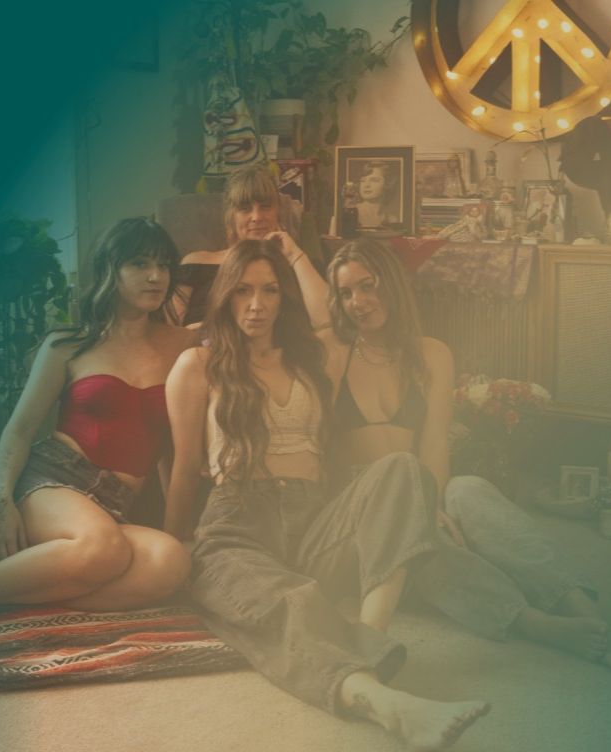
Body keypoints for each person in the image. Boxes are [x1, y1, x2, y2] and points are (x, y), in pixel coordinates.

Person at [164, 238, 490, 751]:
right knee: (293, 600)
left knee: (402, 468)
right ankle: (385, 704)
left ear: (284, 298)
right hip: (238, 523)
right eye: (243, 290)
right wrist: (172, 549)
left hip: (314, 518)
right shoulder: (197, 365)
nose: (257, 304)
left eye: (270, 290)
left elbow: (335, 305)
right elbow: (185, 467)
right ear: (225, 295)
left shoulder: (311, 356)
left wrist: (296, 255)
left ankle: (370, 639)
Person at [322, 238, 611, 674]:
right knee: (418, 534)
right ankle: (533, 623)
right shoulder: (333, 353)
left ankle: (580, 606)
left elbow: (434, 443)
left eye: (367, 285)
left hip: (418, 484)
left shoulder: (432, 354)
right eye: (345, 293)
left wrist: (433, 505)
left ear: (391, 284)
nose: (357, 301)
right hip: (363, 506)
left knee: (468, 490)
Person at [0, 218, 195, 640]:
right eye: (139, 264)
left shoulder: (184, 346)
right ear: (110, 270)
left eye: (164, 265)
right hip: (54, 481)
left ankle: (11, 593)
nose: (156, 276)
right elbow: (20, 429)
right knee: (104, 547)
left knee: (171, 563)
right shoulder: (67, 344)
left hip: (115, 503)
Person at [172, 163, 329, 329]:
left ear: (278, 211)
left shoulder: (298, 265)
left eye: (265, 207)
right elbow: (169, 329)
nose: (256, 217)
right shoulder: (196, 263)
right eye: (245, 209)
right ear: (231, 216)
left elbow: (328, 321)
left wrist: (295, 256)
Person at [353, 160, 400, 229]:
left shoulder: (392, 219)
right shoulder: (352, 213)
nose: (366, 185)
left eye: (374, 180)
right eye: (362, 180)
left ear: (388, 184)